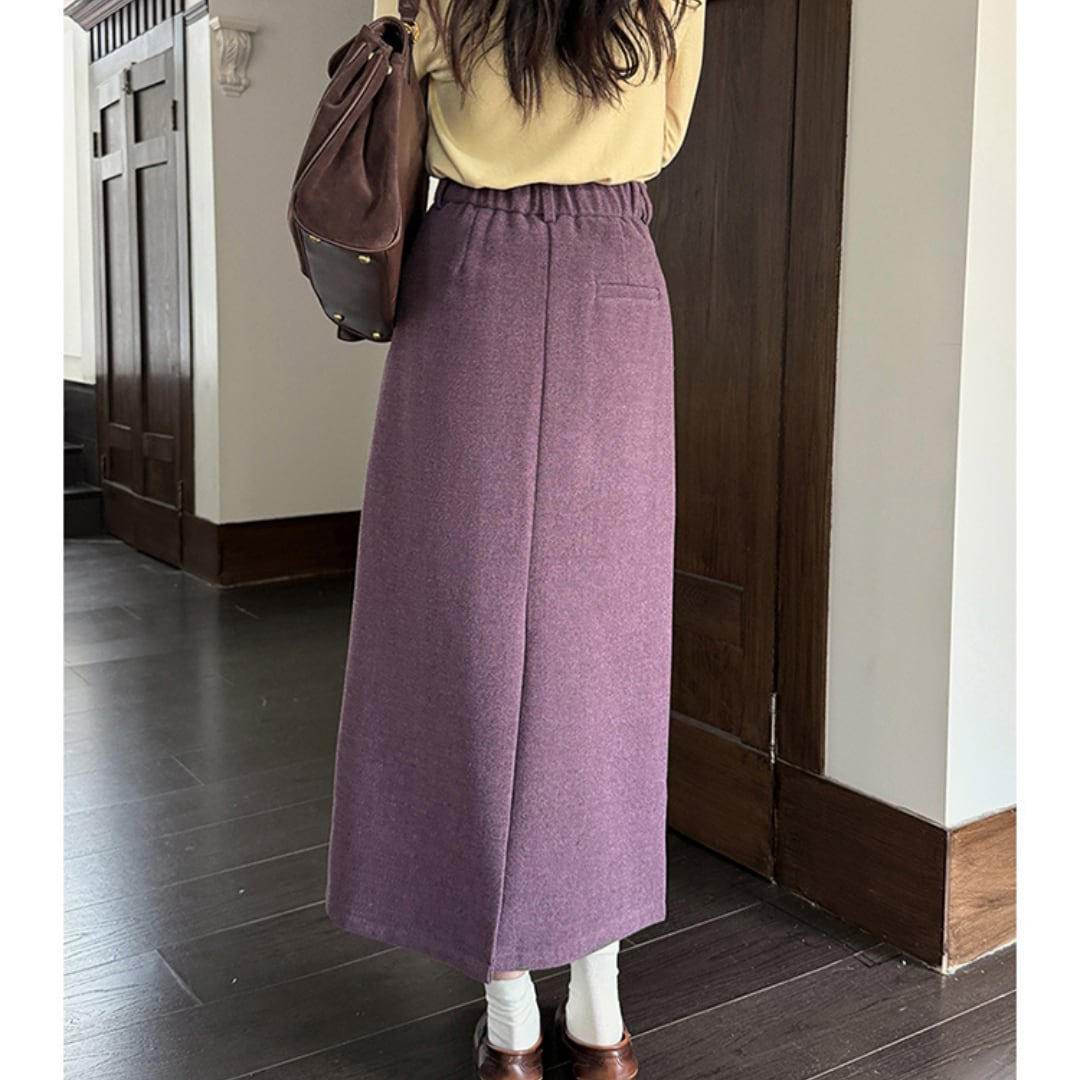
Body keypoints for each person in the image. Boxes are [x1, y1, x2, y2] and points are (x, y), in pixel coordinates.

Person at [325, 1, 706, 1076]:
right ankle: (600, 1011)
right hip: (613, 276)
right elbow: (665, 131)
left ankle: (509, 1020)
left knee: (456, 629)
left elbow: (391, 105)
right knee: (604, 654)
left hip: (470, 278)